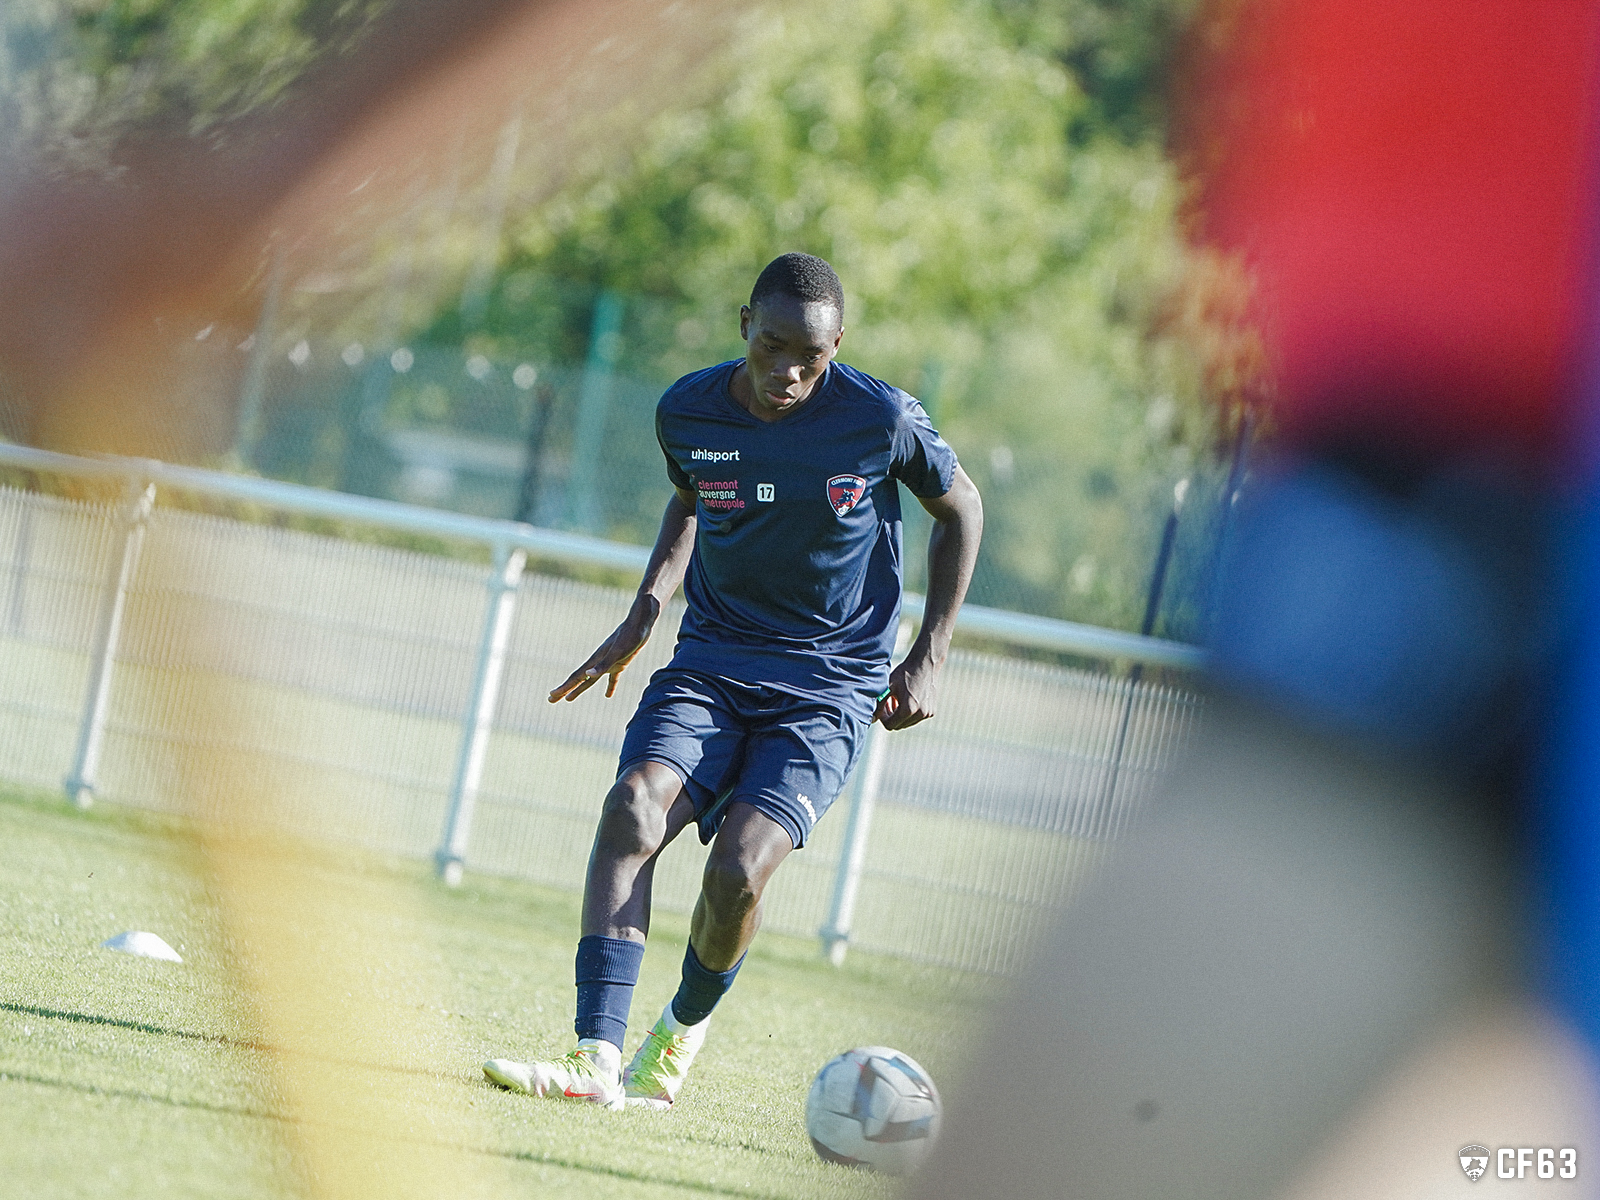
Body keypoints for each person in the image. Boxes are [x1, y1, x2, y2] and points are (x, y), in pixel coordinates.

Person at [483, 252, 983, 1110]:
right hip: (711, 663)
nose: (789, 371)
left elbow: (961, 506)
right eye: (774, 344)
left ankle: (675, 1036)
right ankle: (593, 1059)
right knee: (633, 806)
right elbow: (694, 497)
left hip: (828, 689)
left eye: (812, 357)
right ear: (744, 323)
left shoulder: (879, 417)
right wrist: (647, 609)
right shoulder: (687, 408)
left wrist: (929, 654)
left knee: (738, 875)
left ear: (837, 347)